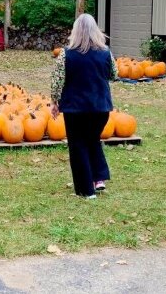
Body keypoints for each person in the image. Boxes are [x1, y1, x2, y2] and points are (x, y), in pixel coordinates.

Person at [50, 14, 118, 199]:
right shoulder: (106, 52)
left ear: (75, 31)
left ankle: (86, 190)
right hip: (100, 107)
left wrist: (54, 102)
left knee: (78, 145)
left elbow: (57, 80)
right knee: (92, 139)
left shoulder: (66, 53)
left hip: (75, 108)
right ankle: (99, 178)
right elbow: (114, 74)